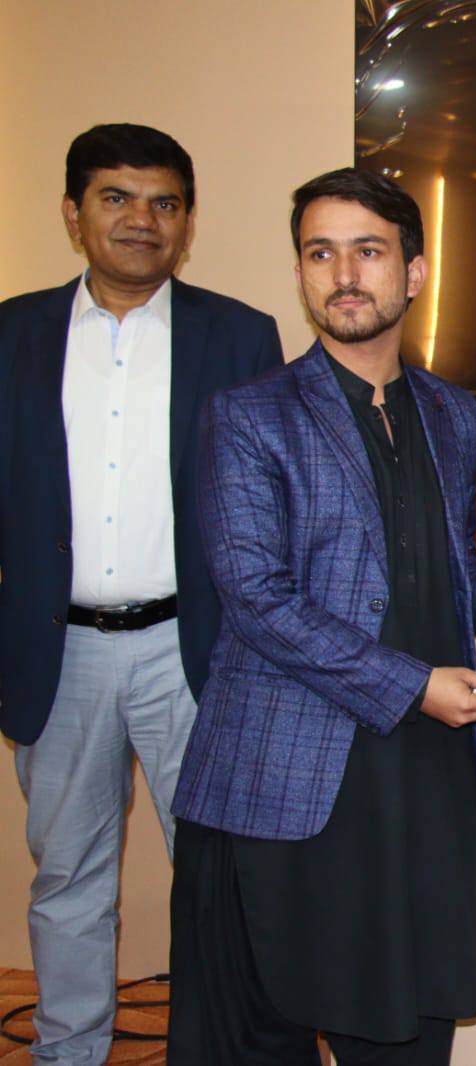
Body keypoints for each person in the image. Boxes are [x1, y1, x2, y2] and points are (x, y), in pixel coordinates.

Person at [166, 168, 476, 1065]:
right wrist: (414, 684)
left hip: (421, 779)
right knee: (258, 1043)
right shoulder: (247, 416)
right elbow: (257, 597)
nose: (344, 274)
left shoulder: (453, 414)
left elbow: (439, 559)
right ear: (300, 274)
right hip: (282, 782)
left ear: (414, 271)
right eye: (320, 254)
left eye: (368, 251)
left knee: (409, 1035)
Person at [0, 123, 282, 1065]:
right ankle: (68, 1051)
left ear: (187, 223)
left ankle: (217, 1051)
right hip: (57, 652)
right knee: (68, 878)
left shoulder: (240, 336)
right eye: (115, 198)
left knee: (219, 880)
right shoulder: (10, 334)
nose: (141, 220)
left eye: (164, 203)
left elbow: (269, 499)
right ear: (72, 212)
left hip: (192, 652)